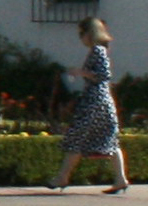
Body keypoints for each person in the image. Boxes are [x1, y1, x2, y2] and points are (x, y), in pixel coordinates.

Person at [50, 16, 130, 194]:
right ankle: (121, 179)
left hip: (94, 102)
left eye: (82, 33)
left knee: (77, 137)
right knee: (110, 141)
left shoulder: (97, 51)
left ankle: (62, 177)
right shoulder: (101, 50)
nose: (81, 37)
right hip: (104, 101)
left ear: (89, 33)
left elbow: (102, 75)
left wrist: (80, 72)